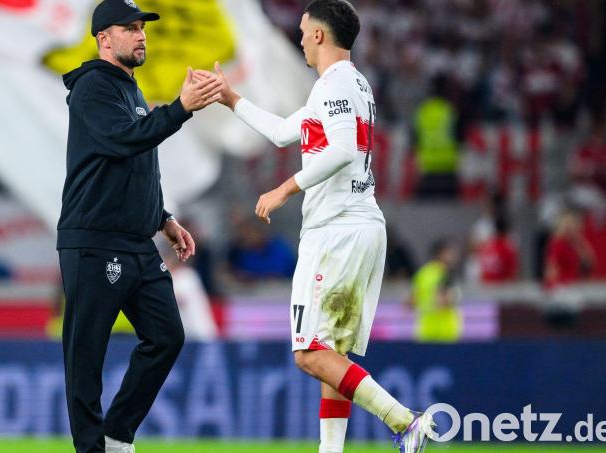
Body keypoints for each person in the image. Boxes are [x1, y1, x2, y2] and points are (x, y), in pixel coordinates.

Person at [207, 1, 436, 451]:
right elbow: (280, 132)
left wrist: (282, 190)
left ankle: (404, 420)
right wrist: (231, 98)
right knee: (333, 357)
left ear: (318, 35)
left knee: (309, 353)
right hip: (359, 225)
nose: (298, 38)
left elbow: (343, 150)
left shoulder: (335, 85)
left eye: (302, 30)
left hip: (337, 230)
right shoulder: (350, 86)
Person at [55, 1, 223, 452]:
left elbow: (137, 164)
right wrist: (180, 108)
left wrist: (162, 218)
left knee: (167, 336)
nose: (141, 34)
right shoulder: (93, 85)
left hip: (135, 242)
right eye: (129, 28)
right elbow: (123, 140)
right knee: (85, 358)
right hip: (93, 241)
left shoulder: (129, 89)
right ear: (103, 39)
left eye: (142, 27)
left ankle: (116, 436)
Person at [411, 240, 463, 343]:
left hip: (426, 330)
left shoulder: (423, 273)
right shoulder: (445, 275)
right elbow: (444, 301)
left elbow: (412, 301)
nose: (453, 256)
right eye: (450, 253)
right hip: (445, 332)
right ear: (441, 253)